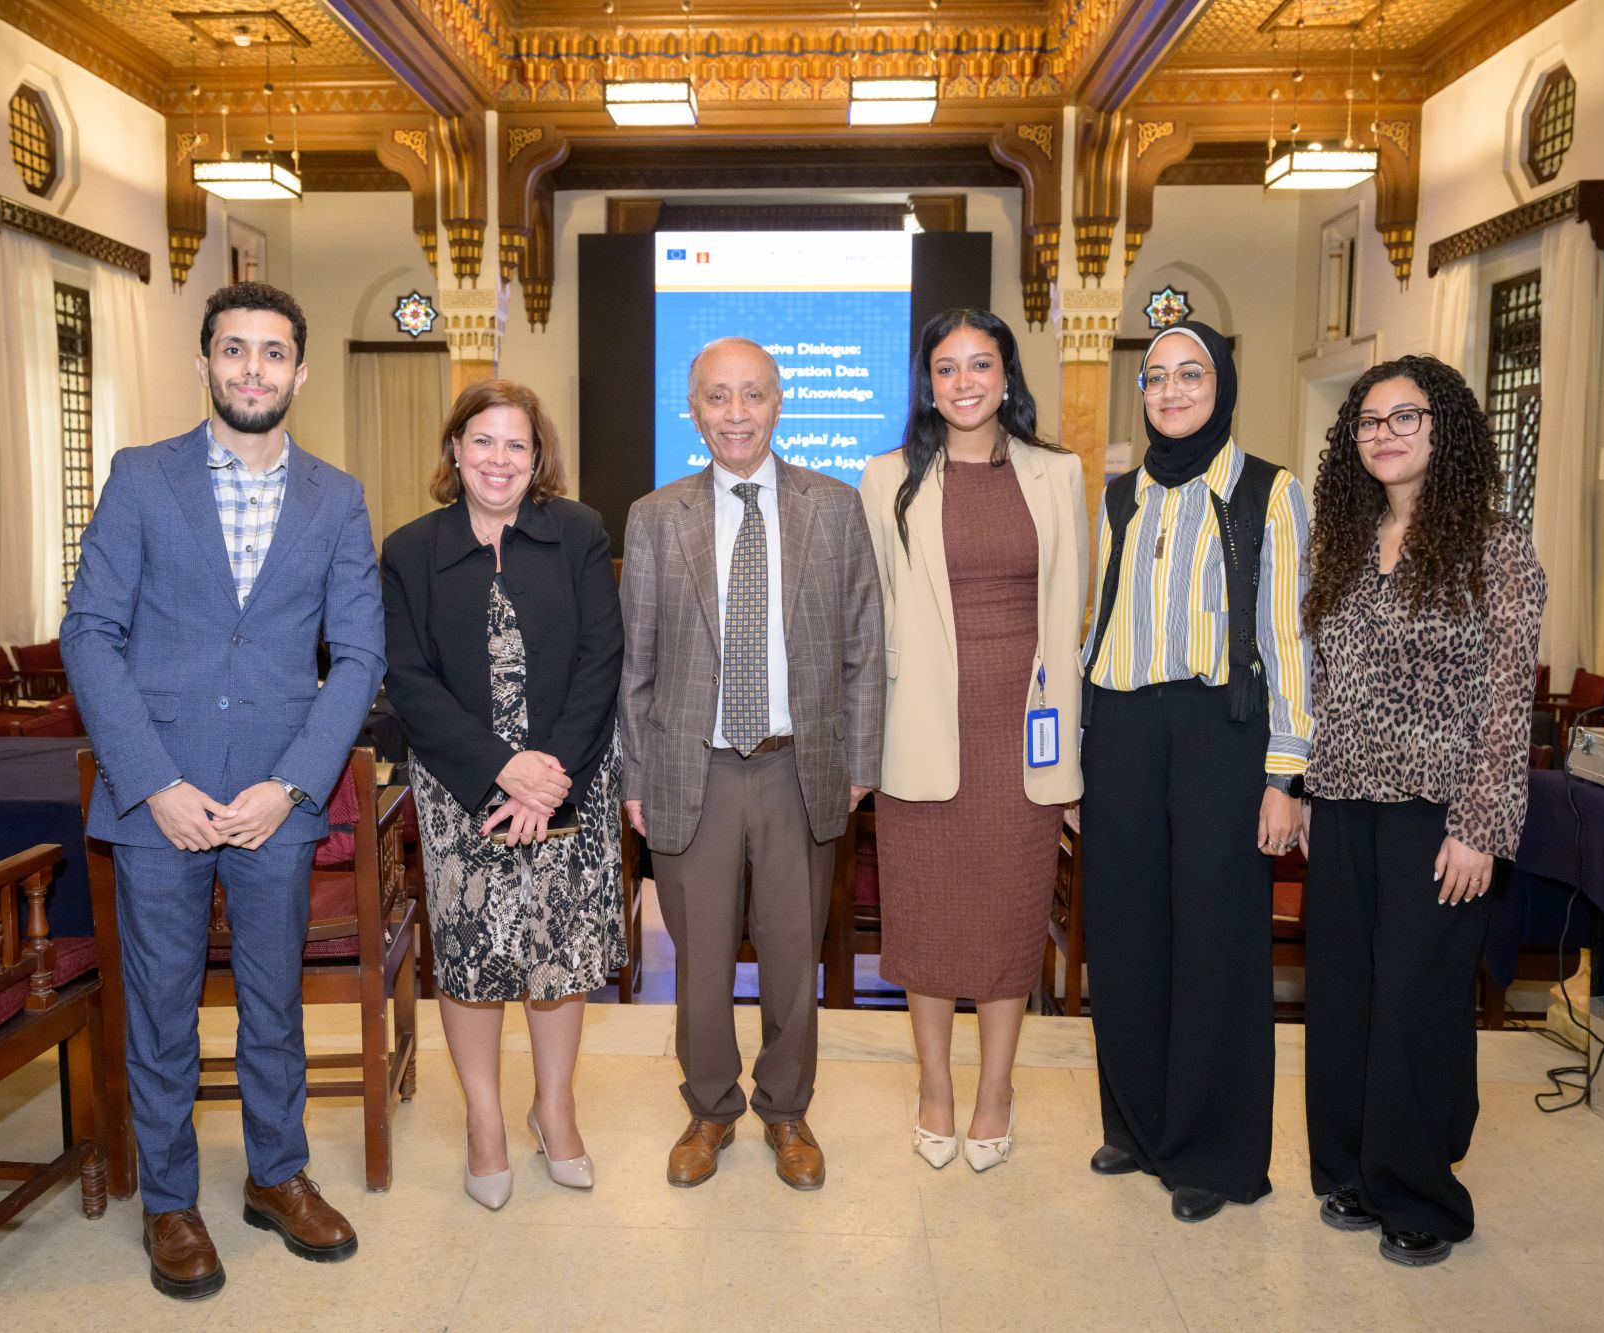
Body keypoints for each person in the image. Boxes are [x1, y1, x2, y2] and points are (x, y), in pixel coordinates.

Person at [63, 282, 384, 1299]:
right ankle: (169, 1199)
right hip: (159, 797)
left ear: (300, 370)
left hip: (275, 803)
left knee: (274, 1001)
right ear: (204, 361)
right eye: (234, 349)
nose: (253, 368)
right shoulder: (140, 476)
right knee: (160, 1006)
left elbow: (360, 656)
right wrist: (152, 782)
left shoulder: (337, 496)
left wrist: (292, 785)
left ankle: (276, 1175)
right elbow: (90, 632)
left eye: (273, 351)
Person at [618, 336, 884, 1191]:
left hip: (797, 766)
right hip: (689, 765)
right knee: (698, 960)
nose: (736, 413)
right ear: (693, 410)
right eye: (718, 396)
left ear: (779, 402)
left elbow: (864, 646)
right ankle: (709, 1109)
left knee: (792, 953)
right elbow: (635, 664)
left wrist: (859, 760)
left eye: (753, 394)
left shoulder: (834, 508)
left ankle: (787, 1109)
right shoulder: (656, 516)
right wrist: (634, 777)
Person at [1300, 355, 1546, 1267]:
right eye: (1369, 421)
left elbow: (1510, 698)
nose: (1385, 434)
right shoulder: (1344, 541)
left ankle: (1419, 1195)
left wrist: (1482, 825)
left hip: (1439, 815)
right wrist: (1309, 789)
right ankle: (1353, 1170)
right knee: (1346, 996)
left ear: (1445, 429)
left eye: (1405, 417)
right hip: (1344, 802)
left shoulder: (1495, 544)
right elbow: (1325, 680)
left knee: (1414, 1000)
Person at [1079, 320, 1313, 1222]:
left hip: (1224, 731)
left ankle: (1213, 1154)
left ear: (1223, 388)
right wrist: (1078, 757)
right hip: (1122, 731)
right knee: (1126, 934)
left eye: (1191, 374)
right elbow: (1097, 623)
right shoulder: (1118, 497)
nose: (1171, 391)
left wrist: (1285, 776)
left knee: (1216, 942)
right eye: (1157, 377)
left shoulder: (1269, 491)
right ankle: (1137, 1127)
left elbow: (1290, 642)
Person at [379, 379, 625, 1212]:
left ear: (537, 455)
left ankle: (555, 1107)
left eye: (516, 443)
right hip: (462, 788)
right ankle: (484, 1120)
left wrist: (549, 775)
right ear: (455, 449)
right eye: (482, 440)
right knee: (474, 957)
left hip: (570, 779)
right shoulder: (409, 550)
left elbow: (601, 659)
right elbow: (408, 680)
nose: (498, 458)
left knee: (559, 954)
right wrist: (499, 769)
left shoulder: (579, 532)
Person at [858, 309, 1086, 1172]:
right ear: (927, 383)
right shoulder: (886, 477)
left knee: (1008, 917)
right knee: (926, 915)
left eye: (980, 364)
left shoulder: (1058, 472)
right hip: (919, 727)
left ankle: (996, 1089)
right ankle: (934, 1088)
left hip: (1022, 733)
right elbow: (873, 614)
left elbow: (1072, 611)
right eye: (946, 367)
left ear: (1006, 375)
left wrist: (1072, 755)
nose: (964, 382)